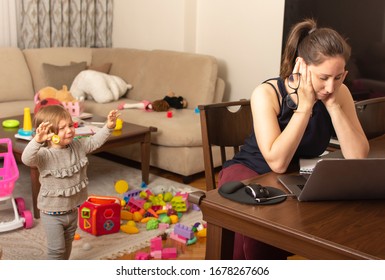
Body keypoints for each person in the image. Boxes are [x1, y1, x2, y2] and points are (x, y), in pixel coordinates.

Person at [218, 18, 369, 260]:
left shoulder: (338, 93)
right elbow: (276, 162)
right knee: (257, 234)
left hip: (291, 178)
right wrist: (305, 105)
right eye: (323, 77)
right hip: (250, 171)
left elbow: (358, 156)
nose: (331, 86)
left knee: (336, 223)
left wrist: (334, 107)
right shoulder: (266, 93)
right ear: (303, 66)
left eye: (339, 77)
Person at [21, 105, 120, 260]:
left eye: (70, 125)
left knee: (67, 245)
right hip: (52, 214)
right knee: (57, 251)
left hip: (73, 211)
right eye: (62, 128)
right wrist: (36, 141)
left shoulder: (77, 146)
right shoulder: (44, 155)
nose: (69, 130)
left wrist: (109, 126)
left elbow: (95, 141)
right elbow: (26, 159)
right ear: (49, 134)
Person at [117, 91, 187, 112]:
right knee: (139, 105)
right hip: (152, 105)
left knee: (139, 105)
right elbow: (170, 94)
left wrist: (180, 99)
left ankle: (125, 106)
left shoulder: (170, 101)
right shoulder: (168, 100)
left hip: (152, 105)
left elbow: (170, 94)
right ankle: (125, 106)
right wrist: (180, 99)